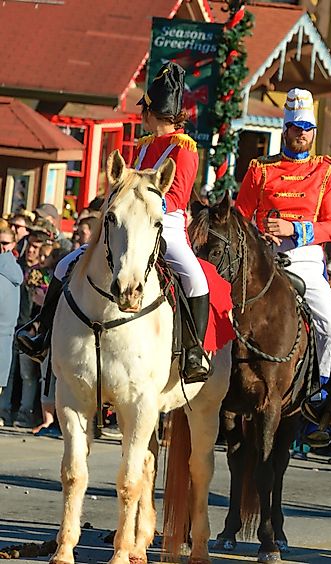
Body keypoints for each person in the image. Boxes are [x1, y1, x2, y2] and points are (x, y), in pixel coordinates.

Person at [16, 61, 211, 383]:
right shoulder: (145, 146)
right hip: (127, 224)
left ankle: (194, 352)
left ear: (153, 112)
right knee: (66, 264)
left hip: (165, 223)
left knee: (195, 279)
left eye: (143, 112)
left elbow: (177, 195)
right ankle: (42, 332)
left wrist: (144, 208)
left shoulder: (184, 149)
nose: (141, 118)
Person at [234, 88, 331, 429]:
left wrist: (295, 229)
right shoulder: (260, 169)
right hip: (264, 258)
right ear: (285, 129)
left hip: (305, 260)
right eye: (296, 127)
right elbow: (240, 215)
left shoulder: (326, 172)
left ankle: (323, 395)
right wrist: (259, 233)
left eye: (307, 128)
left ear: (314, 131)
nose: (302, 134)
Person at [0, 225, 22, 426]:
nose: (1, 247)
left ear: (13, 244)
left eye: (5, 242)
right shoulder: (13, 271)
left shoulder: (5, 275)